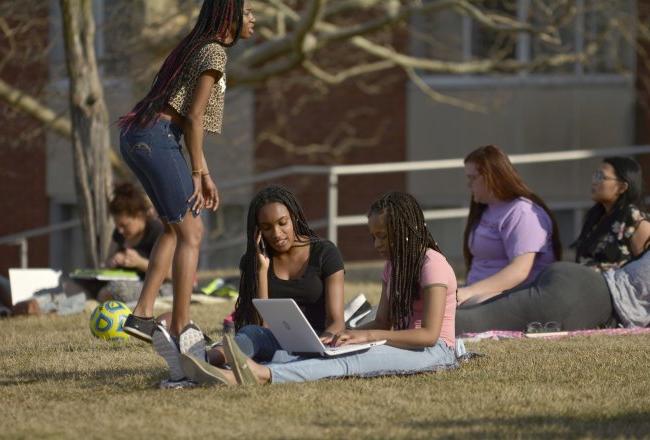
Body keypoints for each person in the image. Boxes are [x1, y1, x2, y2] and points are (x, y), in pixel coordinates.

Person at [180, 192, 459, 386]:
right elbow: (384, 321)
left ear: (404, 229)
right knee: (338, 350)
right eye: (373, 237)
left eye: (382, 236)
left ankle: (264, 374)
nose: (377, 245)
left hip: (435, 352)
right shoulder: (394, 266)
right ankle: (222, 366)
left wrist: (369, 336)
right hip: (399, 342)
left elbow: (429, 335)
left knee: (355, 361)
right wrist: (349, 334)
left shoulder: (431, 264)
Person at [116, 0, 255, 347]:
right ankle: (181, 326)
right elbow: (193, 117)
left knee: (173, 229)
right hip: (158, 137)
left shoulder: (195, 46)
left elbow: (190, 124)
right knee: (192, 231)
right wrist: (196, 172)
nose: (254, 19)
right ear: (230, 17)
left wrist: (203, 172)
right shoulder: (215, 53)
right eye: (248, 12)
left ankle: (143, 315)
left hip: (138, 135)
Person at [206, 185, 346, 366]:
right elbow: (261, 326)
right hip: (275, 342)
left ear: (294, 218)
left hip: (320, 342)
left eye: (282, 223)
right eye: (266, 227)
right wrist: (261, 271)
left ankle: (234, 364)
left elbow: (337, 322)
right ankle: (204, 361)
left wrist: (323, 344)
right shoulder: (255, 262)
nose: (276, 234)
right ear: (258, 231)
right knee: (250, 334)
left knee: (278, 358)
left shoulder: (325, 253)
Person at [456, 237, 650, 334]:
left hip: (577, 278)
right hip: (577, 301)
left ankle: (427, 314)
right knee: (472, 322)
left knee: (475, 311)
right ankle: (426, 323)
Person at [456, 145, 562, 307]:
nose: (468, 185)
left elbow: (519, 271)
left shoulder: (522, 212)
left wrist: (469, 292)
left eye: (473, 178)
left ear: (493, 177)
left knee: (454, 318)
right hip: (475, 293)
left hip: (512, 297)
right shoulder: (485, 207)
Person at [572, 157, 649, 271]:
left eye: (600, 177)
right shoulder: (596, 216)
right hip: (586, 285)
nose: (594, 182)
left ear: (622, 187)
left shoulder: (634, 219)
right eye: (595, 175)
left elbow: (646, 270)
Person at [95, 182, 167, 303]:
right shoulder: (119, 233)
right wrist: (112, 262)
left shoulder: (157, 231)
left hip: (153, 286)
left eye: (125, 225)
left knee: (116, 290)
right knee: (74, 285)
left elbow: (170, 273)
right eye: (117, 225)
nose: (120, 230)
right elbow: (107, 261)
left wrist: (139, 262)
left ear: (140, 216)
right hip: (120, 282)